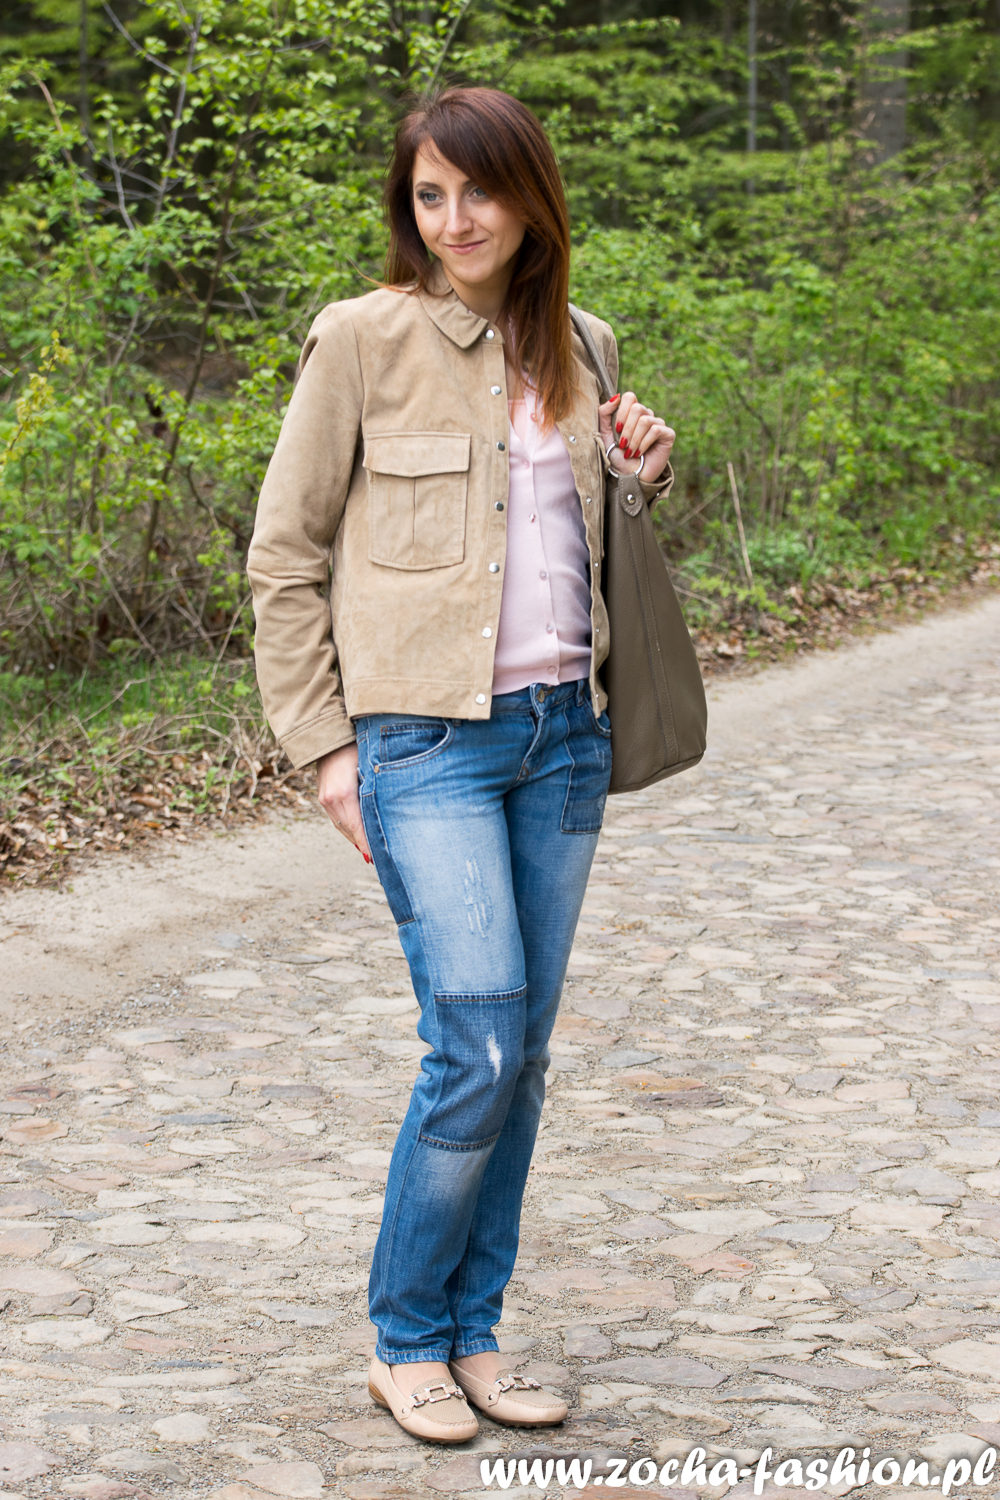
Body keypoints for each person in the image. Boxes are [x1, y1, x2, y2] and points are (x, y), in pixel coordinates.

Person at [247, 85, 675, 1444]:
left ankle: (476, 1334)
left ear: (531, 200)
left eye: (478, 191)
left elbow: (577, 538)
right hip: (424, 744)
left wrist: (643, 470)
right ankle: (404, 1339)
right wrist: (324, 746)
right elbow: (283, 556)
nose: (455, 219)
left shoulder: (585, 345)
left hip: (564, 740)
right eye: (430, 195)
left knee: (523, 1053)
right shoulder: (361, 339)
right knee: (477, 1035)